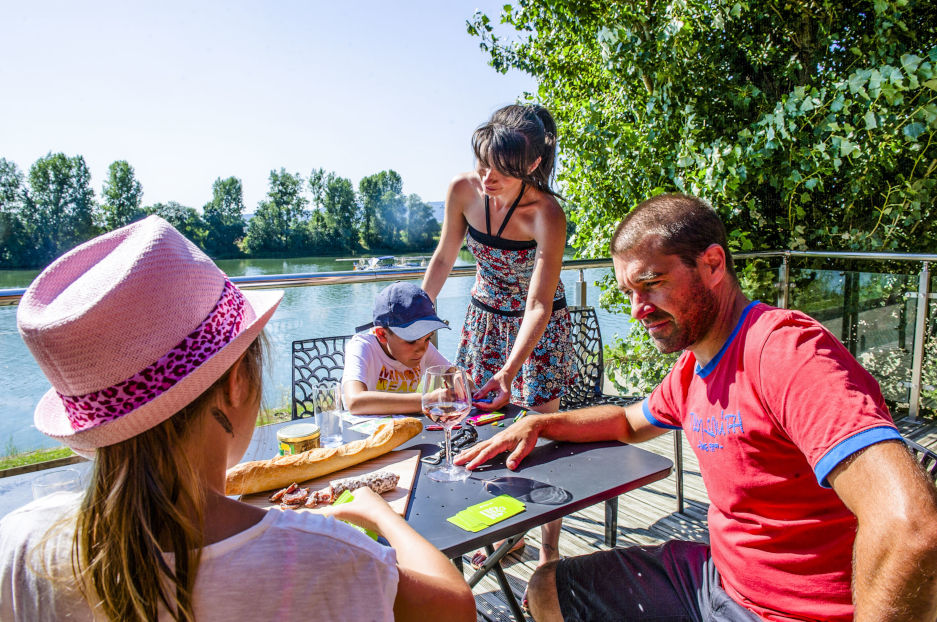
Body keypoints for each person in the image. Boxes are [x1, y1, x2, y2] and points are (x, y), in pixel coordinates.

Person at [456, 194, 937, 622]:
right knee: (548, 588)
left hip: (793, 610)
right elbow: (627, 420)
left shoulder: (784, 352)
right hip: (720, 581)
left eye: (652, 283)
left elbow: (911, 526)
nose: (637, 309)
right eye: (629, 292)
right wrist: (539, 422)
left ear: (712, 264)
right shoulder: (695, 366)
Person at [0, 216, 476, 622]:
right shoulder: (323, 554)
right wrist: (376, 514)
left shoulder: (17, 543)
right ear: (236, 385)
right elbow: (456, 607)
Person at [421, 103, 573, 584]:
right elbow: (445, 257)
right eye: (482, 163)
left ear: (531, 165)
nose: (486, 178)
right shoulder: (462, 190)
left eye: (500, 171)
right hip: (484, 319)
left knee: (542, 437)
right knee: (479, 428)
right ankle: (506, 532)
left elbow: (538, 305)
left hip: (538, 330)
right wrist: (417, 318)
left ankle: (549, 556)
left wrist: (509, 371)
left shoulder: (547, 213)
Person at [341, 281, 452, 415]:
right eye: (411, 340)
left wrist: (465, 387)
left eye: (427, 338)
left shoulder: (421, 347)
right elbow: (354, 402)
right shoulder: (362, 347)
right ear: (382, 334)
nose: (421, 349)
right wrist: (427, 400)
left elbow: (453, 373)